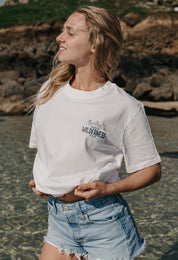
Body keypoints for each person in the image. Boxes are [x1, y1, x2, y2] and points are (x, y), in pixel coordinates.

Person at [29, 5, 161, 260]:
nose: (59, 37)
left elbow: (152, 170)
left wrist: (108, 189)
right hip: (58, 219)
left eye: (70, 32)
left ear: (95, 45)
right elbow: (52, 152)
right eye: (62, 31)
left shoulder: (125, 107)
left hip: (105, 223)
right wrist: (48, 181)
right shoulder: (49, 91)